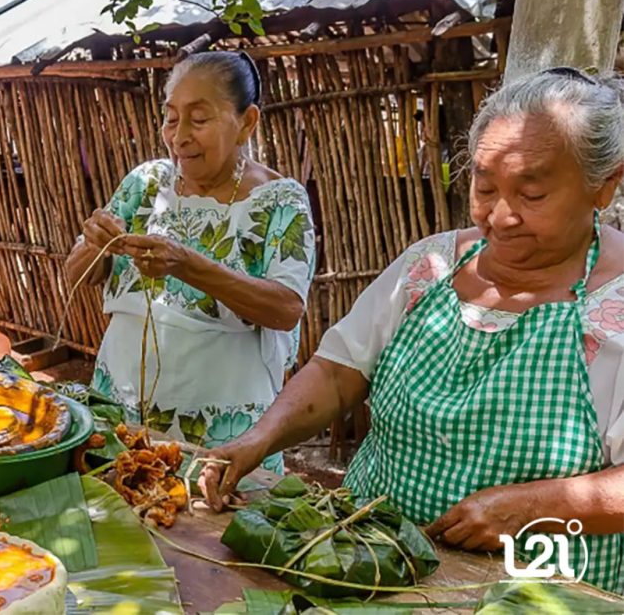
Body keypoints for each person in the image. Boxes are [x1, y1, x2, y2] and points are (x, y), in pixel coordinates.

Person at [200, 68, 624, 593]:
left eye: (532, 195)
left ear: (604, 185)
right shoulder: (431, 266)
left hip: (533, 592)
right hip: (364, 566)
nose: (501, 215)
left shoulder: (616, 305)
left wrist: (531, 508)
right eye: (485, 186)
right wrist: (257, 440)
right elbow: (338, 373)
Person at [65, 51, 317, 468]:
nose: (179, 136)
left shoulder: (278, 200)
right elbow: (75, 275)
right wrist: (94, 244)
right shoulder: (146, 185)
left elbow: (286, 307)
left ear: (247, 123)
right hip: (122, 417)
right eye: (170, 118)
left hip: (221, 442)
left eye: (199, 120)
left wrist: (188, 265)